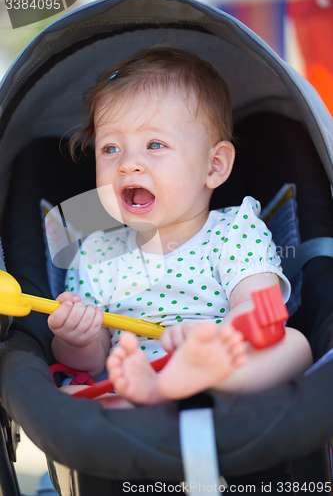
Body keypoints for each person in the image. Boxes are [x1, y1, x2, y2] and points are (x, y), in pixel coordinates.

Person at [48, 46, 313, 407]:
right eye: (110, 148)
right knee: (69, 395)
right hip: (135, 378)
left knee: (294, 346)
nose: (128, 164)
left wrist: (212, 341)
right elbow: (93, 360)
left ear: (214, 166)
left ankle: (198, 380)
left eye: (155, 144)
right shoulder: (98, 253)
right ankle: (152, 394)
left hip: (225, 366)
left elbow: (257, 304)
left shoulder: (234, 231)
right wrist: (75, 339)